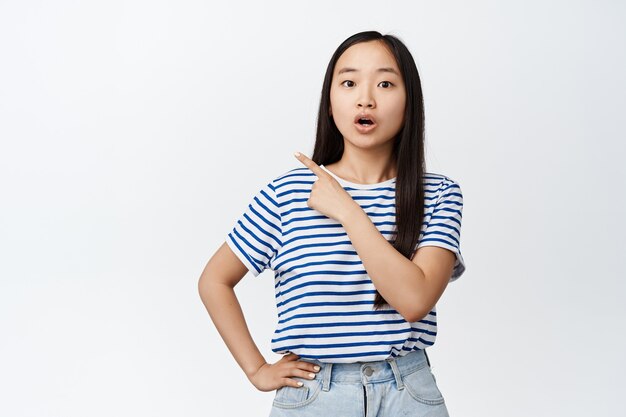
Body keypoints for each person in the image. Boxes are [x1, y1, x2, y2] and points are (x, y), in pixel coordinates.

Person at [198, 30, 466, 417]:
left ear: (410, 104)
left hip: (407, 393)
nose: (366, 97)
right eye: (349, 82)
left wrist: (347, 210)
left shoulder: (439, 194)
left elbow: (414, 300)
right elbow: (214, 280)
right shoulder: (288, 193)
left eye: (386, 83)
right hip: (314, 396)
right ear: (330, 102)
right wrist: (256, 369)